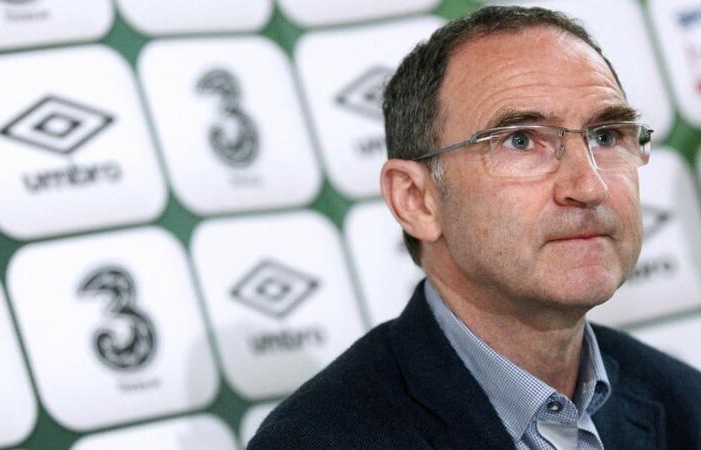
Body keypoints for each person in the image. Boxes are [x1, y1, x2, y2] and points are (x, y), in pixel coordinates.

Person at [248, 5, 701, 450]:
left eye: (606, 136)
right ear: (416, 200)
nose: (588, 185)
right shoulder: (319, 440)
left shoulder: (685, 401)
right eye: (520, 141)